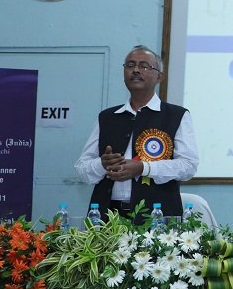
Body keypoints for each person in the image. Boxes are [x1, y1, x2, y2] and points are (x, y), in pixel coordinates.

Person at [74, 45, 199, 222]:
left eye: (144, 66)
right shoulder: (107, 117)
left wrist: (143, 168)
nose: (136, 70)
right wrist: (102, 164)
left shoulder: (176, 115)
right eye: (130, 65)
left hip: (156, 217)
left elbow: (188, 166)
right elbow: (81, 169)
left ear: (159, 77)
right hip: (107, 217)